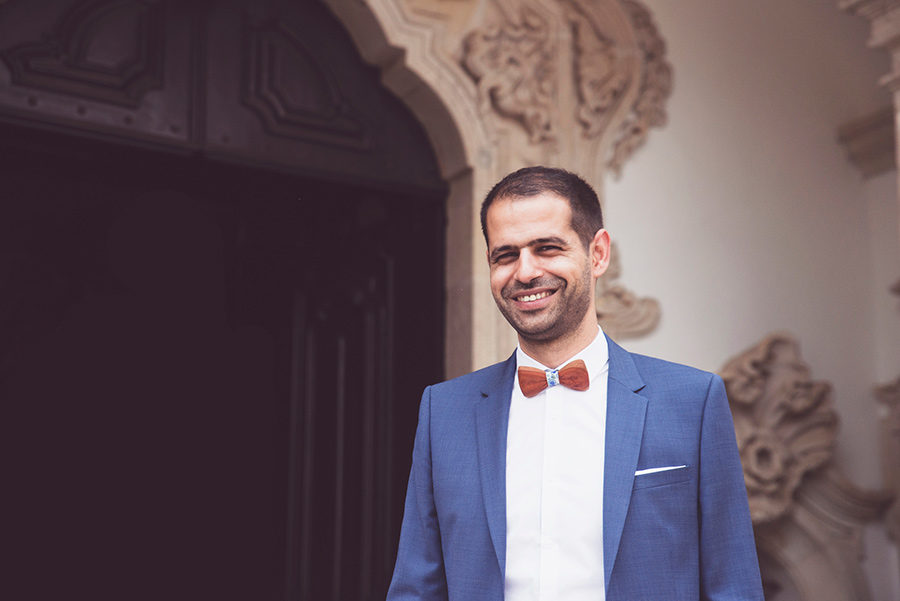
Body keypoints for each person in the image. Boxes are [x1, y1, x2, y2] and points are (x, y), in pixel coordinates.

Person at [386, 166, 763, 601]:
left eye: (546, 248)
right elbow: (416, 588)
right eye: (505, 255)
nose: (525, 273)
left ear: (597, 253)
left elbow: (733, 587)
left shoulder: (692, 402)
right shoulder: (443, 411)